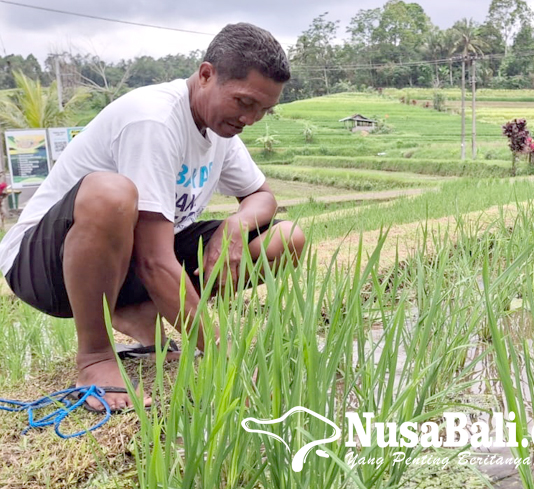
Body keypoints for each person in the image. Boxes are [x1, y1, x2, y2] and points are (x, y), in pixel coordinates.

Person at [0, 23, 305, 412]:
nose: (252, 118)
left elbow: (262, 196)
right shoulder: (155, 119)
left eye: (264, 109)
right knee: (111, 194)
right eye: (244, 103)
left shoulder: (220, 128)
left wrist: (235, 225)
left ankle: (134, 309)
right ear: (206, 74)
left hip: (126, 260)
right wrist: (224, 352)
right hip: (46, 265)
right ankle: (95, 357)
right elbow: (152, 260)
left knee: (287, 238)